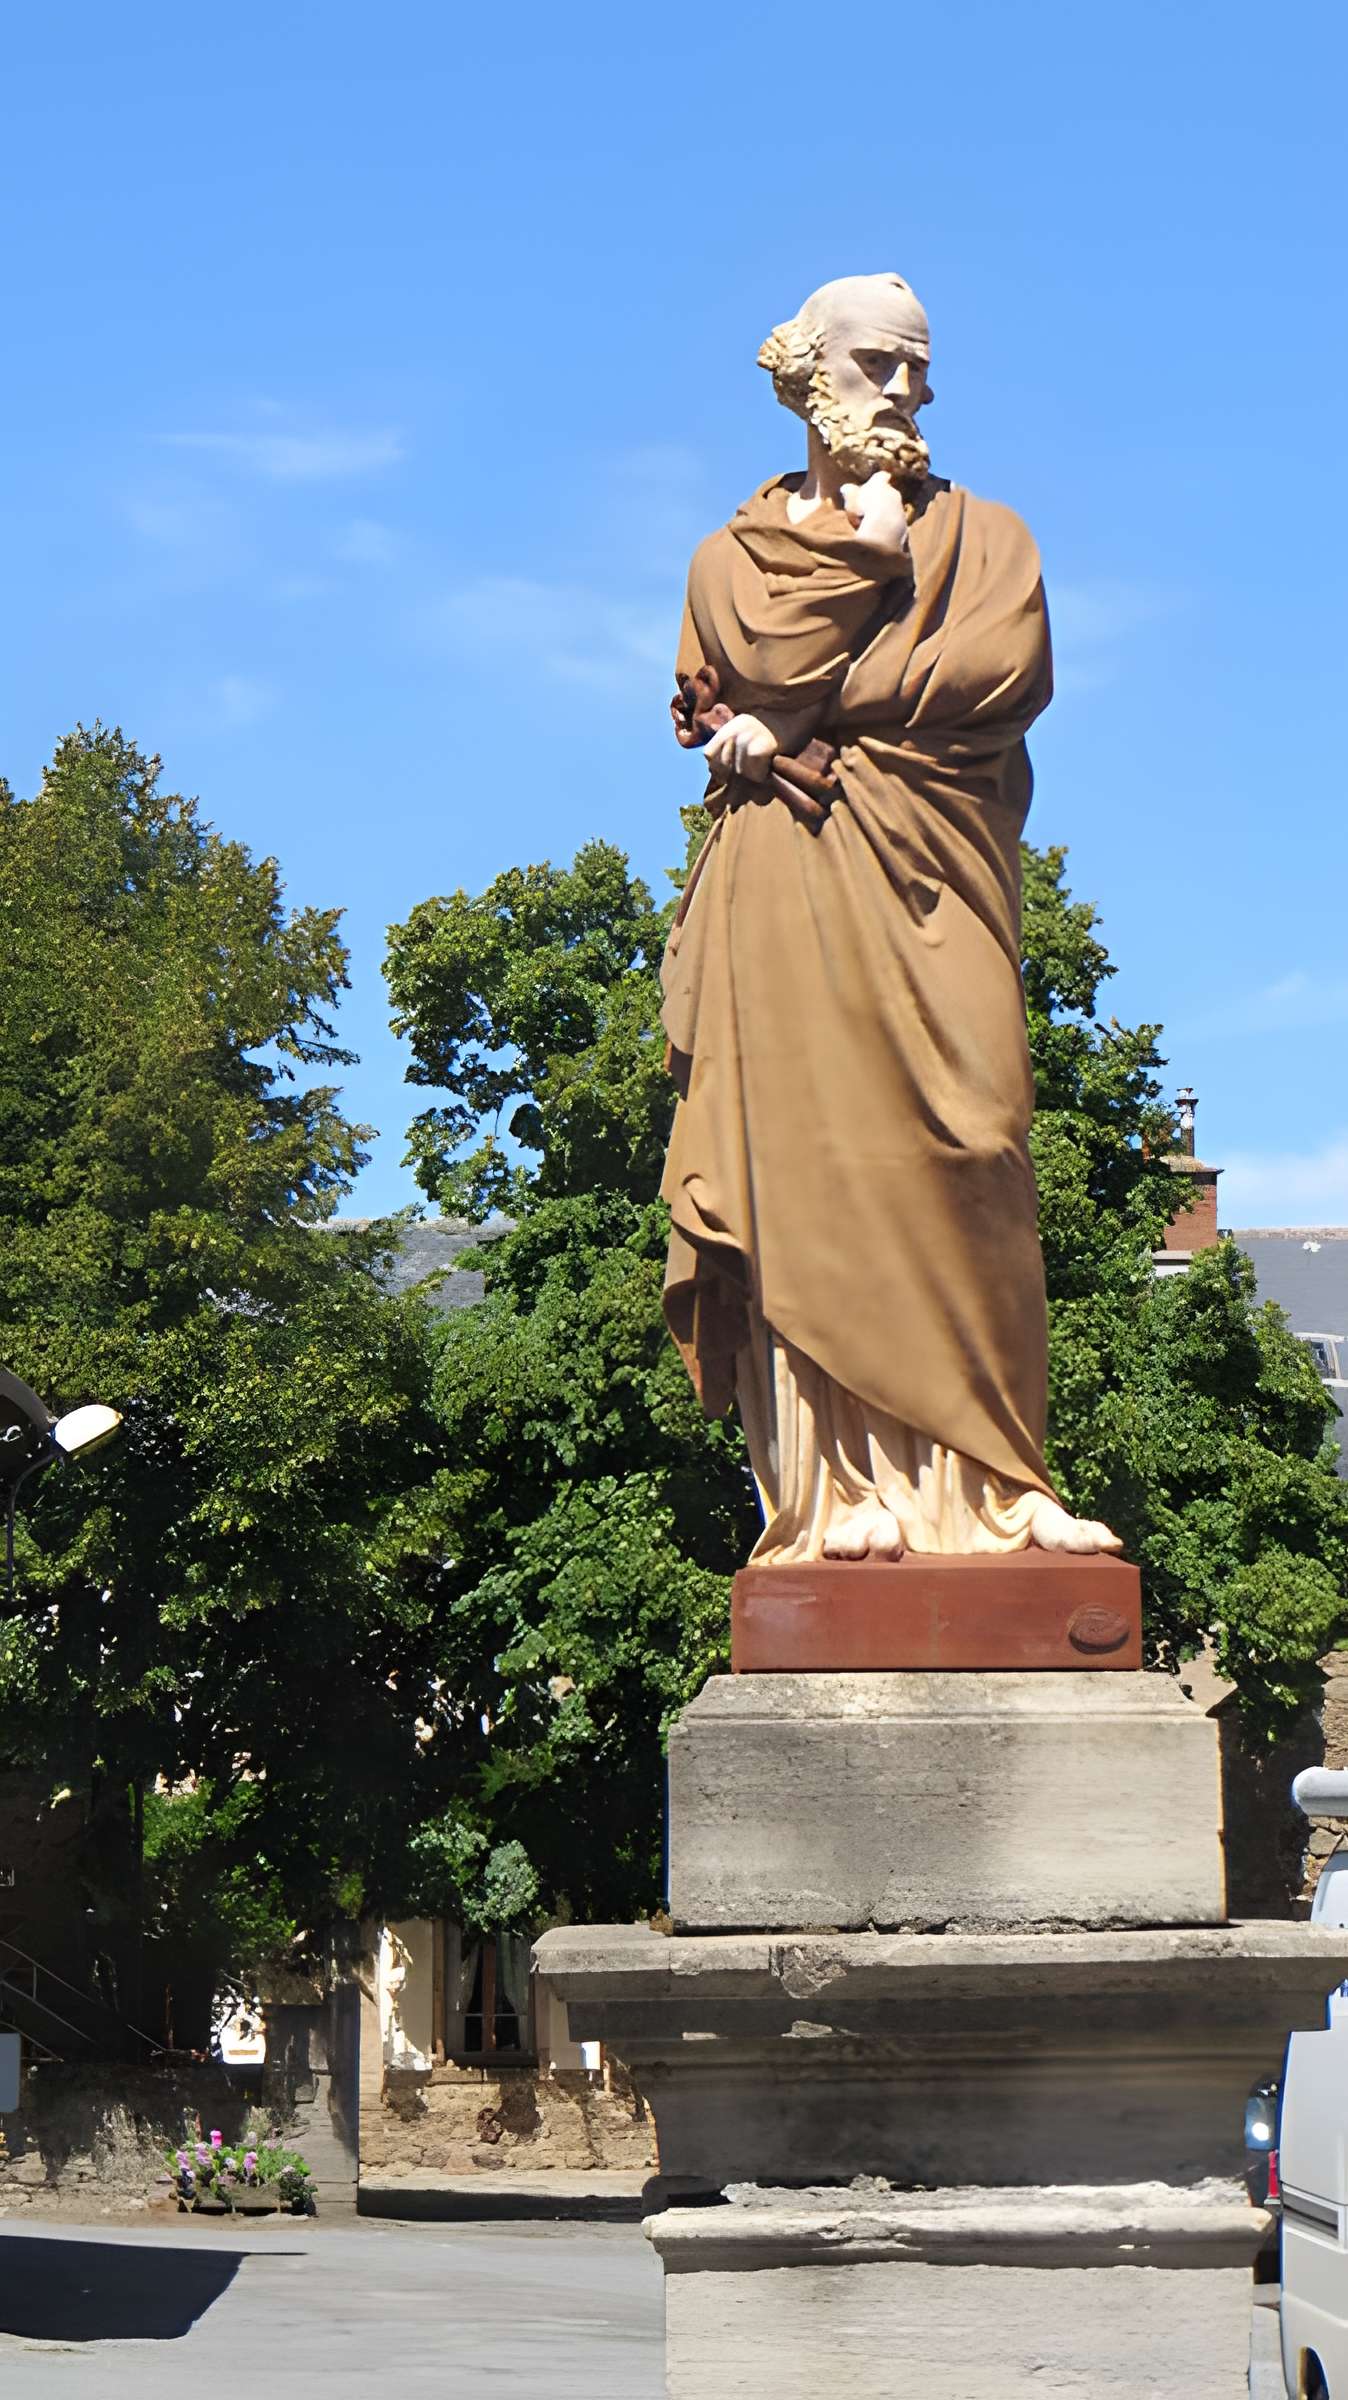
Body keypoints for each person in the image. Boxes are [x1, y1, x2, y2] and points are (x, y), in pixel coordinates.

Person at [660, 272, 1120, 1566]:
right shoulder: (728, 558)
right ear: (808, 374)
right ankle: (837, 1497)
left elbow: (989, 677)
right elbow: (731, 679)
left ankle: (997, 1483)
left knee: (979, 1141)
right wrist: (861, 561)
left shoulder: (992, 542)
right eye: (879, 363)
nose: (908, 388)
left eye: (920, 366)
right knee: (806, 1164)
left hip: (937, 871)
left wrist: (797, 712)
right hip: (787, 884)